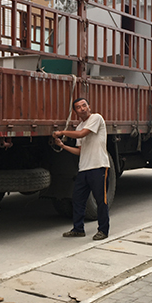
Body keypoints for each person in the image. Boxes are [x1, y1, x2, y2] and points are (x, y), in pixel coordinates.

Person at [53, 98, 110, 241]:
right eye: (78, 107)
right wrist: (62, 146)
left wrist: (62, 132)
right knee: (78, 200)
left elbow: (82, 134)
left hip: (98, 166)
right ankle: (78, 229)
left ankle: (103, 230)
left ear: (89, 106)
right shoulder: (79, 127)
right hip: (84, 168)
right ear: (76, 112)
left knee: (100, 200)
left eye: (84, 105)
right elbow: (80, 151)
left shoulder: (96, 118)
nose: (82, 108)